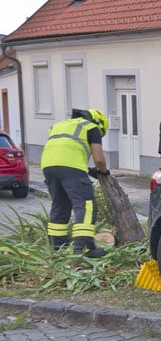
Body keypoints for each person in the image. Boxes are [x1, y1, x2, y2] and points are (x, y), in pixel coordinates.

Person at [40, 109, 110, 258]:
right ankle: (83, 249)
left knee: (60, 204)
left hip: (48, 166)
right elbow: (99, 159)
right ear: (99, 123)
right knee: (86, 206)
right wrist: (103, 172)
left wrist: (87, 169)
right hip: (71, 168)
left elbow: (65, 149)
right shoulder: (91, 127)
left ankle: (57, 246)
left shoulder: (60, 125)